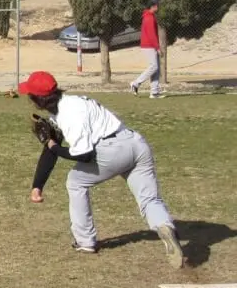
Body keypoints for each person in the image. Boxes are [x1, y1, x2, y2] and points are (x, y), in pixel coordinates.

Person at [17, 70, 184, 267]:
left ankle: (85, 241)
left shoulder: (68, 115)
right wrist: (37, 185)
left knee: (75, 182)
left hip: (112, 150)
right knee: (149, 199)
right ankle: (164, 226)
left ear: (38, 99)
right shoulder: (72, 103)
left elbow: (84, 155)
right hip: (136, 143)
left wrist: (54, 146)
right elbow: (51, 149)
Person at [130, 0, 163, 99]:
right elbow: (151, 34)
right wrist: (157, 47)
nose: (158, 7)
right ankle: (136, 83)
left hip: (150, 45)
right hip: (149, 46)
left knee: (156, 69)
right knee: (154, 66)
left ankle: (154, 92)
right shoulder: (149, 18)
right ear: (153, 6)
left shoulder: (151, 16)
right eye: (157, 5)